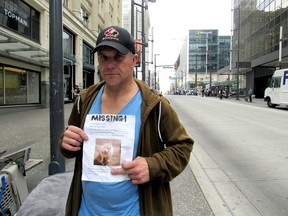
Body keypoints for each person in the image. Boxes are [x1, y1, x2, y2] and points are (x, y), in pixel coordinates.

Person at [59, 26, 194, 216]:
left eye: (118, 57)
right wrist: (66, 142)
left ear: (134, 60)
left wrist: (152, 166)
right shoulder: (84, 100)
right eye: (104, 58)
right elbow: (70, 145)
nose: (110, 64)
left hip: (136, 211)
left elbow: (183, 146)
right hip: (86, 210)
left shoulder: (155, 105)